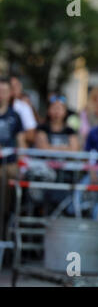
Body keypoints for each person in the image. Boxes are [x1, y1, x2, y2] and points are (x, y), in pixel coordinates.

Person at [0, 77, 25, 239]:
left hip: (8, 164)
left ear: (10, 94)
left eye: (4, 91)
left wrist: (22, 165)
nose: (1, 95)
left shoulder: (15, 116)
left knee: (6, 176)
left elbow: (22, 143)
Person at [9, 75, 38, 147]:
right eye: (11, 86)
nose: (14, 89)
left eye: (16, 85)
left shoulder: (24, 107)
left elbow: (31, 135)